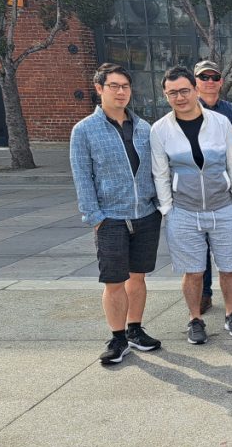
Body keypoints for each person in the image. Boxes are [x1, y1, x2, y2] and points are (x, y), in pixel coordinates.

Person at [69, 63, 162, 365]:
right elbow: (82, 176)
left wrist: (159, 205)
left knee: (138, 277)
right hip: (110, 217)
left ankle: (135, 329)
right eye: (114, 86)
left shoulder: (145, 128)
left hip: (146, 215)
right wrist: (94, 216)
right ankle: (117, 336)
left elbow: (157, 169)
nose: (121, 92)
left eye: (125, 86)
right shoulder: (84, 130)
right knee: (114, 281)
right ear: (99, 88)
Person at [150, 66, 232, 344]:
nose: (179, 98)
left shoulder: (219, 123)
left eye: (184, 91)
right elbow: (160, 173)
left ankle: (231, 314)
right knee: (192, 271)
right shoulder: (160, 130)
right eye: (172, 93)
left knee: (229, 267)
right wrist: (168, 210)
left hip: (224, 207)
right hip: (184, 211)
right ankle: (195, 319)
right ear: (166, 96)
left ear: (194, 90)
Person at [193, 59, 232, 313]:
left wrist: (218, 141)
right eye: (203, 77)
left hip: (230, 189)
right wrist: (229, 138)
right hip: (196, 189)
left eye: (214, 77)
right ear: (195, 82)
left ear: (221, 81)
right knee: (200, 246)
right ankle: (204, 294)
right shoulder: (186, 109)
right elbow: (190, 146)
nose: (209, 82)